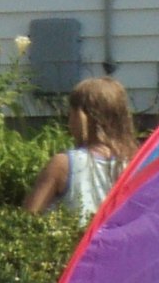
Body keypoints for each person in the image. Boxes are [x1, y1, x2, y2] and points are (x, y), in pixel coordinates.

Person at [25, 76, 138, 222]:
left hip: (74, 244)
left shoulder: (62, 165)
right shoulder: (137, 162)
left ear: (81, 117)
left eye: (71, 113)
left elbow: (29, 217)